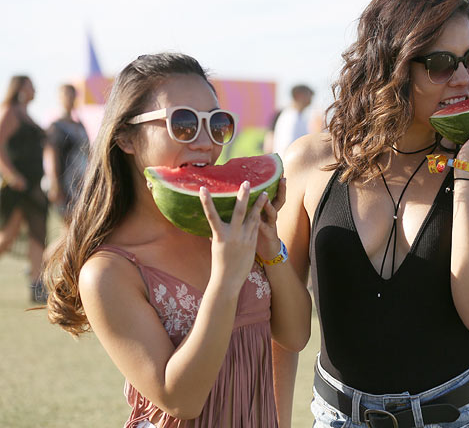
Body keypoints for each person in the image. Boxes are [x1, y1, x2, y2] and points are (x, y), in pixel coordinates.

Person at [274, 0, 469, 428]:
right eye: (440, 64)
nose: (463, 79)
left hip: (464, 416)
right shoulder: (309, 164)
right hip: (339, 418)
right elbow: (279, 326)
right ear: (391, 65)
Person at [42, 53, 311, 427]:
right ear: (126, 136)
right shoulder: (109, 271)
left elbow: (296, 336)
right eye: (183, 123)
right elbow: (181, 398)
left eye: (216, 124)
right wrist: (226, 279)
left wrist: (272, 251)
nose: (205, 142)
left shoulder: (229, 228)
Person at [0, 75, 48, 303]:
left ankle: (37, 286)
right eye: (31, 85)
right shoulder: (10, 111)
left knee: (38, 234)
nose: (35, 89)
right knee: (7, 237)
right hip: (17, 187)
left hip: (35, 186)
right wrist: (11, 174)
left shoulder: (28, 114)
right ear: (19, 88)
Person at [43, 84, 89, 221]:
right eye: (66, 94)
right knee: (69, 226)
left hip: (81, 182)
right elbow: (51, 154)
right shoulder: (56, 127)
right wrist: (54, 183)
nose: (70, 98)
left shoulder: (80, 125)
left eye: (72, 94)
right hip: (65, 183)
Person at [271, 84, 319, 155]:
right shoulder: (290, 116)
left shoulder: (298, 116)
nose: (311, 97)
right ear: (298, 95)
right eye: (308, 94)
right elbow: (288, 145)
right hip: (288, 163)